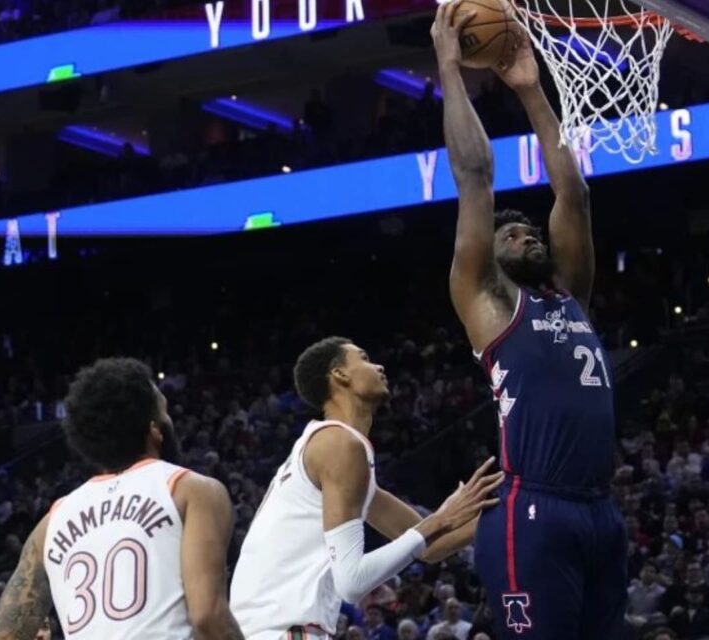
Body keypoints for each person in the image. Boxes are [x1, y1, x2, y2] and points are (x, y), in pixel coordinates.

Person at [433, 4, 625, 639]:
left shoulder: (570, 292)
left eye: (527, 229)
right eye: (510, 234)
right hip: (533, 509)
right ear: (490, 257)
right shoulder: (487, 302)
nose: (524, 234)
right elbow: (474, 176)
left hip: (601, 514)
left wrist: (530, 89)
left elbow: (573, 195)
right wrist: (450, 66)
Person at [231, 338, 501, 640]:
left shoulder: (326, 451)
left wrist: (511, 510)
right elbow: (352, 582)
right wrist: (438, 520)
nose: (379, 366)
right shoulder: (339, 444)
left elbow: (432, 547)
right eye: (364, 358)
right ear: (340, 375)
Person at [0, 358, 245, 640]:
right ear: (155, 430)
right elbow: (208, 617)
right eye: (166, 412)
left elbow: (4, 636)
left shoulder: (49, 524)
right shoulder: (193, 490)